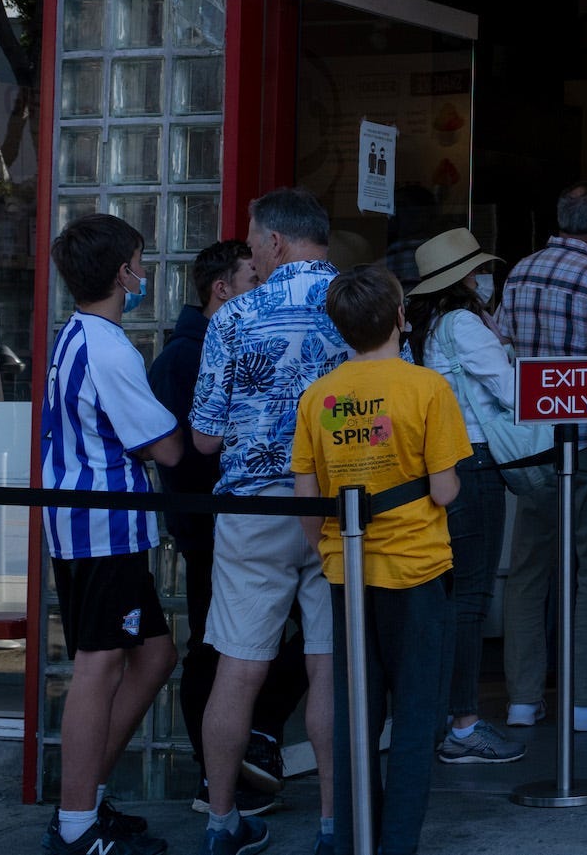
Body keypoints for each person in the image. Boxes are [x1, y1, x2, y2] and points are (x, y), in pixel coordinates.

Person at [191, 189, 349, 855]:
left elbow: (202, 438)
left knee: (239, 666)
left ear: (277, 242)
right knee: (328, 666)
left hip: (254, 507)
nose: (251, 254)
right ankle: (332, 824)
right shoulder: (362, 303)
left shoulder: (233, 316)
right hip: (342, 508)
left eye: (254, 242)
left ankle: (222, 821)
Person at [291, 266, 469, 855]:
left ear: (339, 326)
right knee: (417, 720)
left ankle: (351, 839)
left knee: (355, 719)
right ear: (400, 317)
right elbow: (444, 491)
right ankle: (396, 845)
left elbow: (308, 504)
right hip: (417, 570)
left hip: (346, 573)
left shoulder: (317, 396)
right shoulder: (427, 389)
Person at [41, 213, 185, 855]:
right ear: (123, 273)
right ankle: (76, 824)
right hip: (104, 529)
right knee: (99, 665)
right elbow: (169, 448)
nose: (143, 271)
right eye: (139, 260)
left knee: (155, 656)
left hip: (87, 524)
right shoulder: (108, 346)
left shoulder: (75, 333)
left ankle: (86, 800)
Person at [149, 239, 306, 818]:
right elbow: (193, 450)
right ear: (224, 288)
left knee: (268, 643)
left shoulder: (210, 342)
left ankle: (246, 750)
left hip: (235, 518)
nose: (262, 287)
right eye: (251, 277)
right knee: (215, 652)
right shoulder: (186, 356)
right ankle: (218, 777)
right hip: (216, 523)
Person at [491, 182, 587, 732]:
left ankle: (523, 699)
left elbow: (505, 347)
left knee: (530, 569)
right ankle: (584, 700)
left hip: (533, 441)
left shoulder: (521, 273)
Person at [403, 228, 526, 765]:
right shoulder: (464, 324)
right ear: (465, 278)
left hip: (437, 463)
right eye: (478, 270)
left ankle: (442, 716)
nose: (484, 277)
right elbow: (512, 393)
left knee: (446, 596)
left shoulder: (423, 325)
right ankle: (464, 723)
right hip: (474, 464)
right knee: (471, 598)